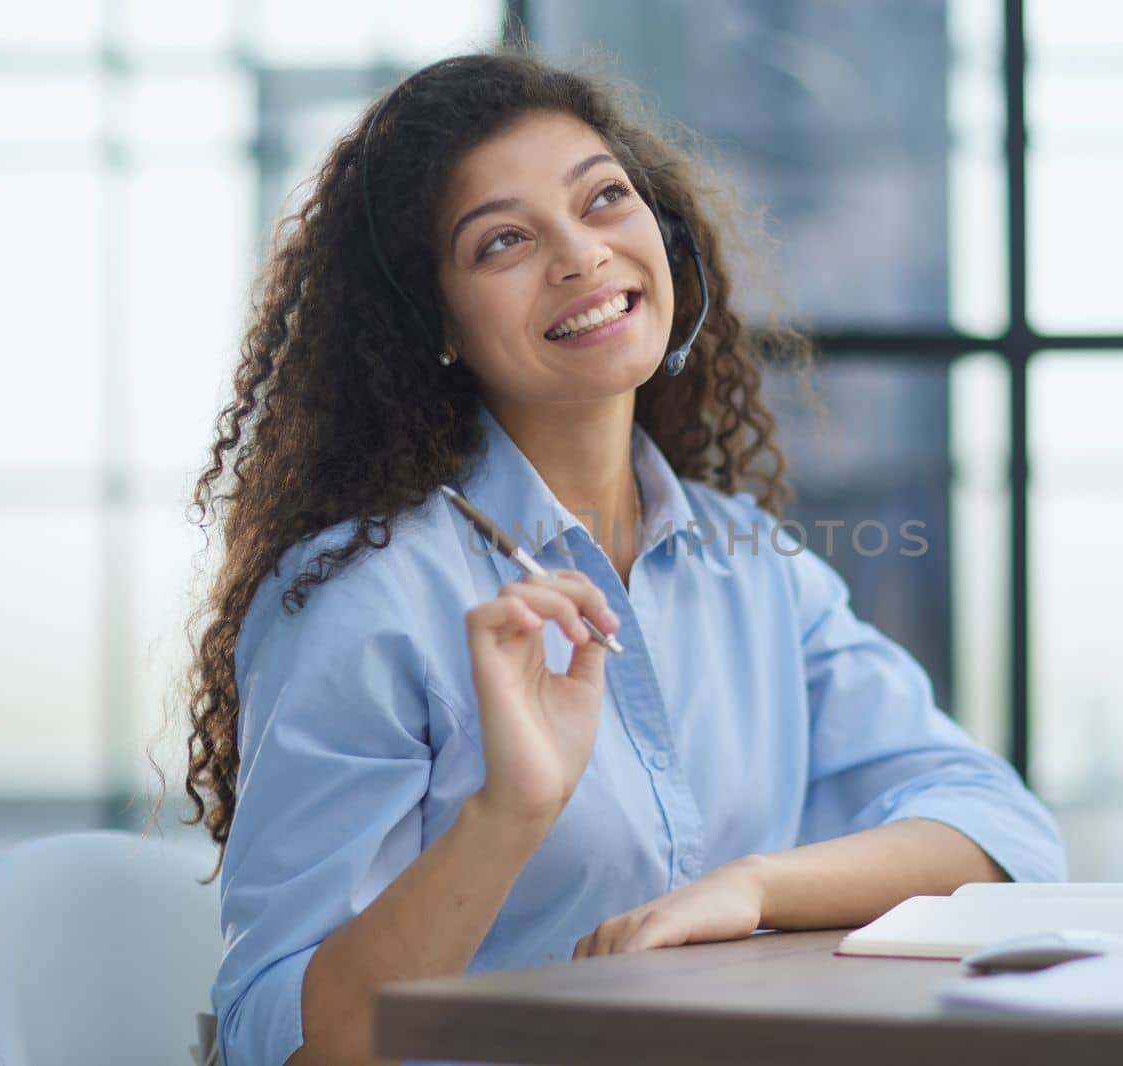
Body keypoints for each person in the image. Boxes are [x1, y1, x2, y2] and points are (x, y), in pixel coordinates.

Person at [180, 50, 1065, 1066]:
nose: (581, 255)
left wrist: (752, 887)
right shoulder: (360, 597)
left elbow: (1002, 831)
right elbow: (279, 1040)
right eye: (503, 240)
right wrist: (506, 813)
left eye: (604, 199)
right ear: (435, 325)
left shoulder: (752, 567)